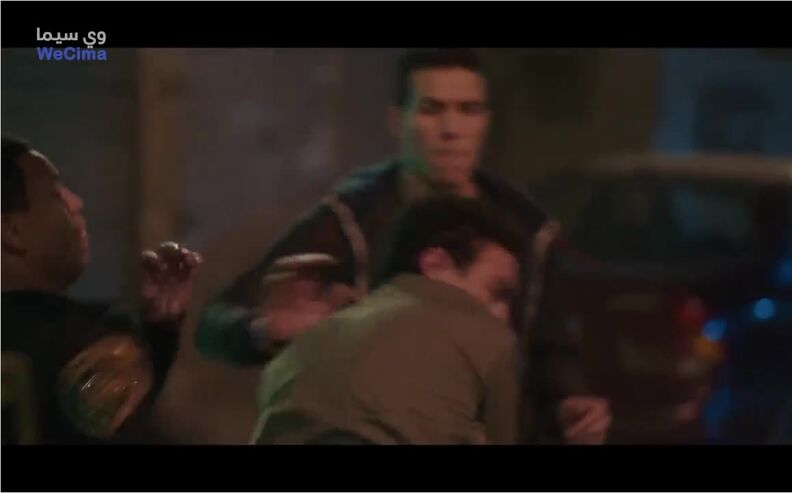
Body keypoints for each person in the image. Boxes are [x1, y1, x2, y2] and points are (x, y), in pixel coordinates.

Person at [196, 48, 611, 444]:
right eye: (432, 109)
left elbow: (550, 347)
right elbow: (215, 323)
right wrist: (262, 329)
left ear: (486, 120)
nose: (451, 129)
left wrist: (570, 403)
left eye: (468, 110)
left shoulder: (526, 230)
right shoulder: (349, 222)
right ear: (398, 120)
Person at [253, 197, 523, 445]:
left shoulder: (308, 342)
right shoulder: (488, 338)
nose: (503, 314)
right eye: (497, 292)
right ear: (436, 264)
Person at [1, 136, 202, 444]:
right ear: (12, 232)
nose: (76, 202)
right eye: (56, 193)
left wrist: (157, 334)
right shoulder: (81, 338)